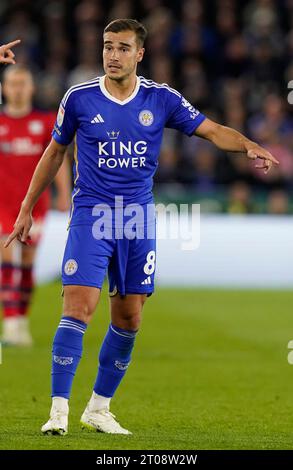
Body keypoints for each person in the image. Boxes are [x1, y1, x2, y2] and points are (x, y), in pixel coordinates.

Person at [5, 19, 279, 435]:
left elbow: (210, 130)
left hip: (136, 218)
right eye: (107, 47)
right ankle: (57, 411)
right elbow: (54, 153)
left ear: (139, 54)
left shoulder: (161, 98)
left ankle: (98, 407)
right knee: (78, 307)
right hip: (92, 214)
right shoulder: (79, 99)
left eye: (121, 48)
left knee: (129, 318)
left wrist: (248, 145)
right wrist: (27, 208)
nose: (112, 55)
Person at [0, 65, 71, 345]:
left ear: (31, 88)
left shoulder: (45, 122)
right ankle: (12, 323)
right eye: (12, 84)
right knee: (6, 259)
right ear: (4, 89)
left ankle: (22, 321)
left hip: (34, 205)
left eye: (22, 83)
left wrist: (64, 192)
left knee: (28, 263)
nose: (17, 89)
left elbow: (59, 158)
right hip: (2, 203)